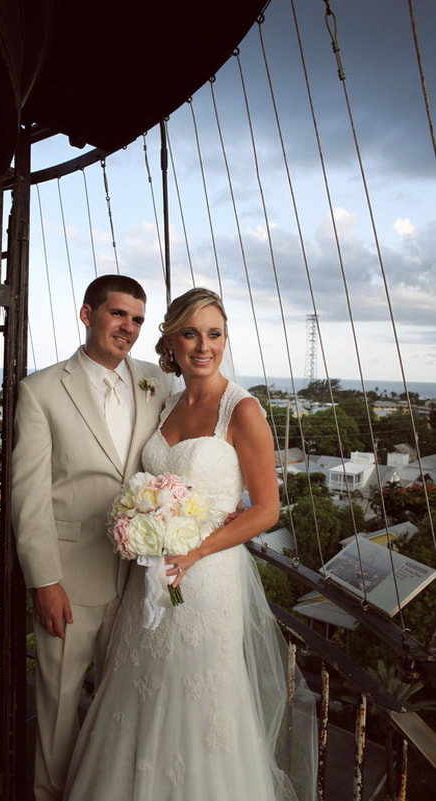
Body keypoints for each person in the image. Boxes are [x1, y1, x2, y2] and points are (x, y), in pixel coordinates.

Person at [63, 287, 318, 801]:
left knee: (199, 702)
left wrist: (196, 551)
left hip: (206, 581)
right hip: (153, 581)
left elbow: (266, 511)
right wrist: (145, 525)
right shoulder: (168, 401)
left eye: (215, 334)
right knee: (142, 691)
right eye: (191, 333)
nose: (204, 346)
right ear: (172, 342)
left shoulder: (242, 410)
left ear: (225, 340)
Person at [11, 274, 171, 801]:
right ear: (88, 314)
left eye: (138, 320)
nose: (129, 328)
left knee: (125, 705)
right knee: (58, 708)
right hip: (71, 579)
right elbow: (28, 495)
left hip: (140, 581)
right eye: (119, 314)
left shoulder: (156, 382)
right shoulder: (40, 390)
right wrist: (45, 581)